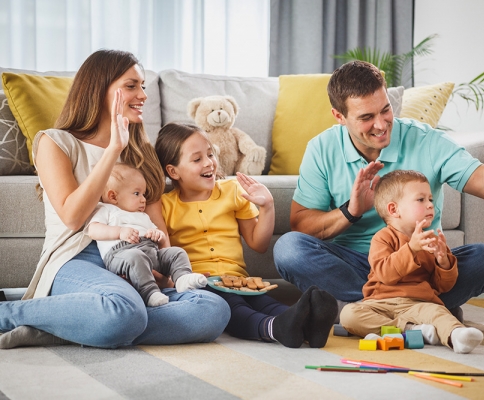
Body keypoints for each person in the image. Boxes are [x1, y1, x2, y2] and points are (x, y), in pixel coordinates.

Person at [273, 60, 484, 321]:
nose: (381, 125)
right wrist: (351, 211)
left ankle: (377, 312)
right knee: (288, 249)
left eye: (385, 110)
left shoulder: (425, 139)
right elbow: (303, 225)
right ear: (339, 116)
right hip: (356, 266)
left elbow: (483, 178)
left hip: (421, 267)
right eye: (366, 117)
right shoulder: (322, 148)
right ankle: (420, 309)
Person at [0, 50, 230, 350]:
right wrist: (112, 150)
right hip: (75, 258)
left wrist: (164, 270)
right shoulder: (55, 142)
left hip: (136, 257)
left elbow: (153, 222)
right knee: (125, 312)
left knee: (212, 310)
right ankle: (9, 314)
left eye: (144, 86)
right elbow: (73, 216)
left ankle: (59, 328)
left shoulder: (139, 150)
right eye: (132, 85)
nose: (143, 95)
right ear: (99, 89)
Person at [153, 122, 338, 348]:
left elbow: (258, 244)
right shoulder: (165, 206)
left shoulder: (232, 192)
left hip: (239, 280)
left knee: (266, 302)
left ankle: (309, 326)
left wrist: (267, 206)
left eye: (210, 154)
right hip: (201, 283)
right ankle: (275, 329)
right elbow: (164, 256)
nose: (209, 162)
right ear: (173, 171)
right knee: (236, 310)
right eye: (197, 159)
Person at [340, 170, 483, 354]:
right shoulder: (382, 238)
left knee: (439, 313)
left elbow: (443, 286)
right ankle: (411, 330)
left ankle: (457, 336)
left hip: (418, 303)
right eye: (421, 199)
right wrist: (412, 248)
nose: (430, 205)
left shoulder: (430, 240)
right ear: (394, 210)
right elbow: (385, 274)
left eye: (430, 199)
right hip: (380, 302)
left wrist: (444, 262)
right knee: (349, 315)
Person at [87, 163, 208, 307]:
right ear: (113, 196)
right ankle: (150, 293)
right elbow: (93, 230)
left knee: (177, 252)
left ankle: (182, 278)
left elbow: (161, 242)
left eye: (143, 194)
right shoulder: (107, 210)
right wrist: (119, 232)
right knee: (136, 257)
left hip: (152, 253)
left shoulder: (143, 216)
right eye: (137, 194)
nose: (144, 199)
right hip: (122, 254)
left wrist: (158, 236)